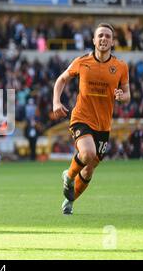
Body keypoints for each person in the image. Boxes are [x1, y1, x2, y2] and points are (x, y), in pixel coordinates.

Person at [52, 23, 131, 215]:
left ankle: (69, 201)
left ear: (112, 42)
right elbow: (61, 79)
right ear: (94, 40)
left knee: (89, 169)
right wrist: (56, 102)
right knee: (87, 153)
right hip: (81, 117)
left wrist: (123, 96)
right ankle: (68, 176)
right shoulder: (82, 62)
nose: (104, 39)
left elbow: (128, 94)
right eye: (100, 36)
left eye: (107, 36)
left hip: (103, 125)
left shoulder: (120, 67)